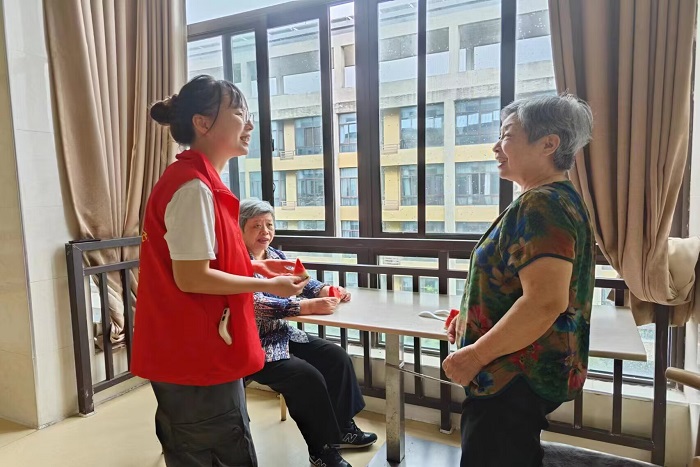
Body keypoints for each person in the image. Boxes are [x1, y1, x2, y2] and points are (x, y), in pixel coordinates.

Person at [131, 75, 309, 467]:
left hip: (196, 348)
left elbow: (203, 260)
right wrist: (270, 284)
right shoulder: (193, 188)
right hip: (196, 353)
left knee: (213, 440)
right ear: (203, 123)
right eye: (239, 113)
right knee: (219, 449)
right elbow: (191, 277)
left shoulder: (199, 182)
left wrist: (258, 265)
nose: (249, 124)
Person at [442, 94, 595, 467]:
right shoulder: (560, 199)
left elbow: (545, 302)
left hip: (512, 376)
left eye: (507, 136)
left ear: (548, 144)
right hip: (524, 371)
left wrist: (475, 354)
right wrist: (472, 318)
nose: (496, 147)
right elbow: (523, 287)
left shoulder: (541, 204)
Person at [238, 198, 378, 467]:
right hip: (252, 345)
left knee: (336, 357)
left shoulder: (275, 255)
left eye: (269, 225)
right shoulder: (235, 261)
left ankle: (343, 429)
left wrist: (327, 290)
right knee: (306, 378)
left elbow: (304, 281)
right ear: (239, 229)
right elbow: (254, 304)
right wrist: (305, 306)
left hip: (283, 334)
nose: (265, 232)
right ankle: (322, 450)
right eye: (256, 226)